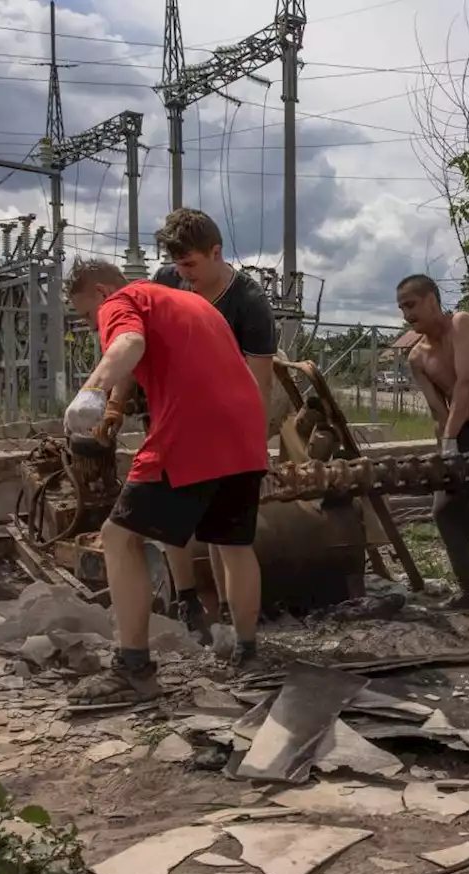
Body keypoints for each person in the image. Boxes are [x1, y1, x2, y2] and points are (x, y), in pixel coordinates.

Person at [61, 259, 268, 704]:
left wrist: (93, 390)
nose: (90, 322)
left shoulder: (121, 302)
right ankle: (248, 654)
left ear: (100, 292)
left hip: (192, 430)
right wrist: (117, 405)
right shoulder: (188, 302)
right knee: (233, 544)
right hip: (246, 430)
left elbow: (129, 342)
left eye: (84, 314)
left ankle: (133, 668)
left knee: (118, 538)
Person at [150, 208, 278, 641]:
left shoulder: (249, 303)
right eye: (178, 265)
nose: (184, 276)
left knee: (228, 533)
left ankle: (232, 618)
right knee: (172, 517)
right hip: (174, 419)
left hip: (226, 426)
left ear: (216, 252)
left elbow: (260, 384)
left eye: (191, 265)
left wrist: (253, 453)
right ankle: (187, 599)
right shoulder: (166, 281)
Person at [396, 274, 469, 614]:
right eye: (402, 308)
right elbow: (438, 411)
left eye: (411, 304)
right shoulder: (417, 358)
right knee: (445, 510)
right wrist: (444, 448)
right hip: (459, 433)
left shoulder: (462, 324)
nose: (407, 314)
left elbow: (465, 384)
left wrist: (449, 437)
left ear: (432, 300)